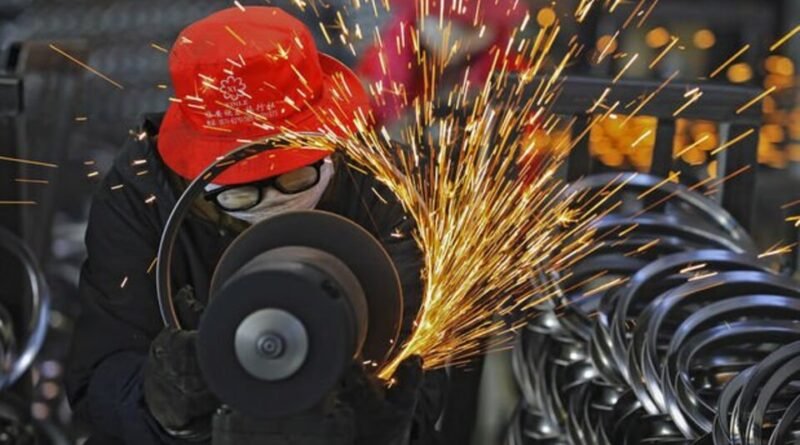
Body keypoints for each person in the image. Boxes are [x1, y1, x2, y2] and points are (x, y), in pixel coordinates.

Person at [65, 7, 443, 445]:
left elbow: (427, 366)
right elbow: (98, 378)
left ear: (329, 146)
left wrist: (384, 427)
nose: (273, 202)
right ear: (199, 175)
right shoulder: (141, 194)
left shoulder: (385, 188)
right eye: (241, 192)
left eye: (294, 178)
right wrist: (163, 404)